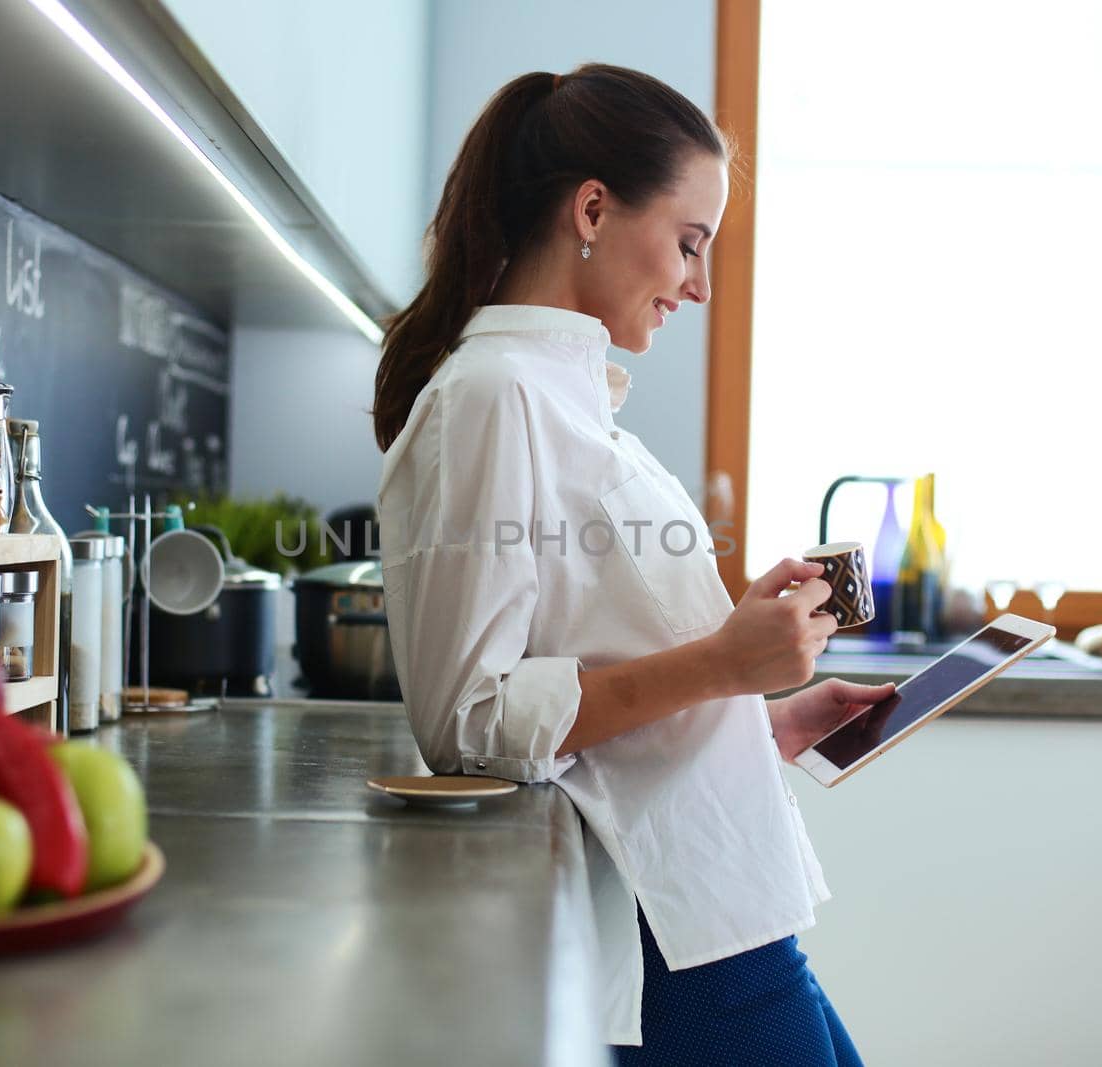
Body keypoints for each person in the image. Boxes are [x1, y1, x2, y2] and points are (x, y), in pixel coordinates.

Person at [372, 62, 896, 1065]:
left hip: (729, 913)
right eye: (690, 242)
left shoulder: (561, 395)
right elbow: (471, 724)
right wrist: (720, 667)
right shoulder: (493, 398)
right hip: (688, 939)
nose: (698, 284)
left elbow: (592, 675)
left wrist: (758, 714)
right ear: (594, 208)